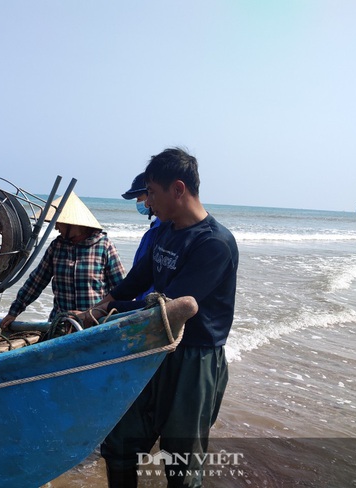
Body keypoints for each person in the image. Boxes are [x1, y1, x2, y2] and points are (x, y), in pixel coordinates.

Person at [78, 148, 239, 487]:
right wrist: (100, 306)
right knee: (120, 443)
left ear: (177, 190)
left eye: (151, 192)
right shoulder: (166, 231)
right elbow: (137, 279)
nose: (147, 202)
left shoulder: (214, 244)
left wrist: (106, 314)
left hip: (193, 359)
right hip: (151, 347)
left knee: (181, 464)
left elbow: (168, 308)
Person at [0, 191, 125, 330]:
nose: (56, 227)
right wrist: (14, 312)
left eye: (59, 223)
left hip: (94, 324)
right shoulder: (57, 247)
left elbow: (121, 289)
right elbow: (36, 282)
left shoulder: (104, 246)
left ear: (73, 224)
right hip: (61, 323)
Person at [121, 172, 161, 300]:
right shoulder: (155, 227)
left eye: (139, 198)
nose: (139, 203)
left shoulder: (164, 229)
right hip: (144, 303)